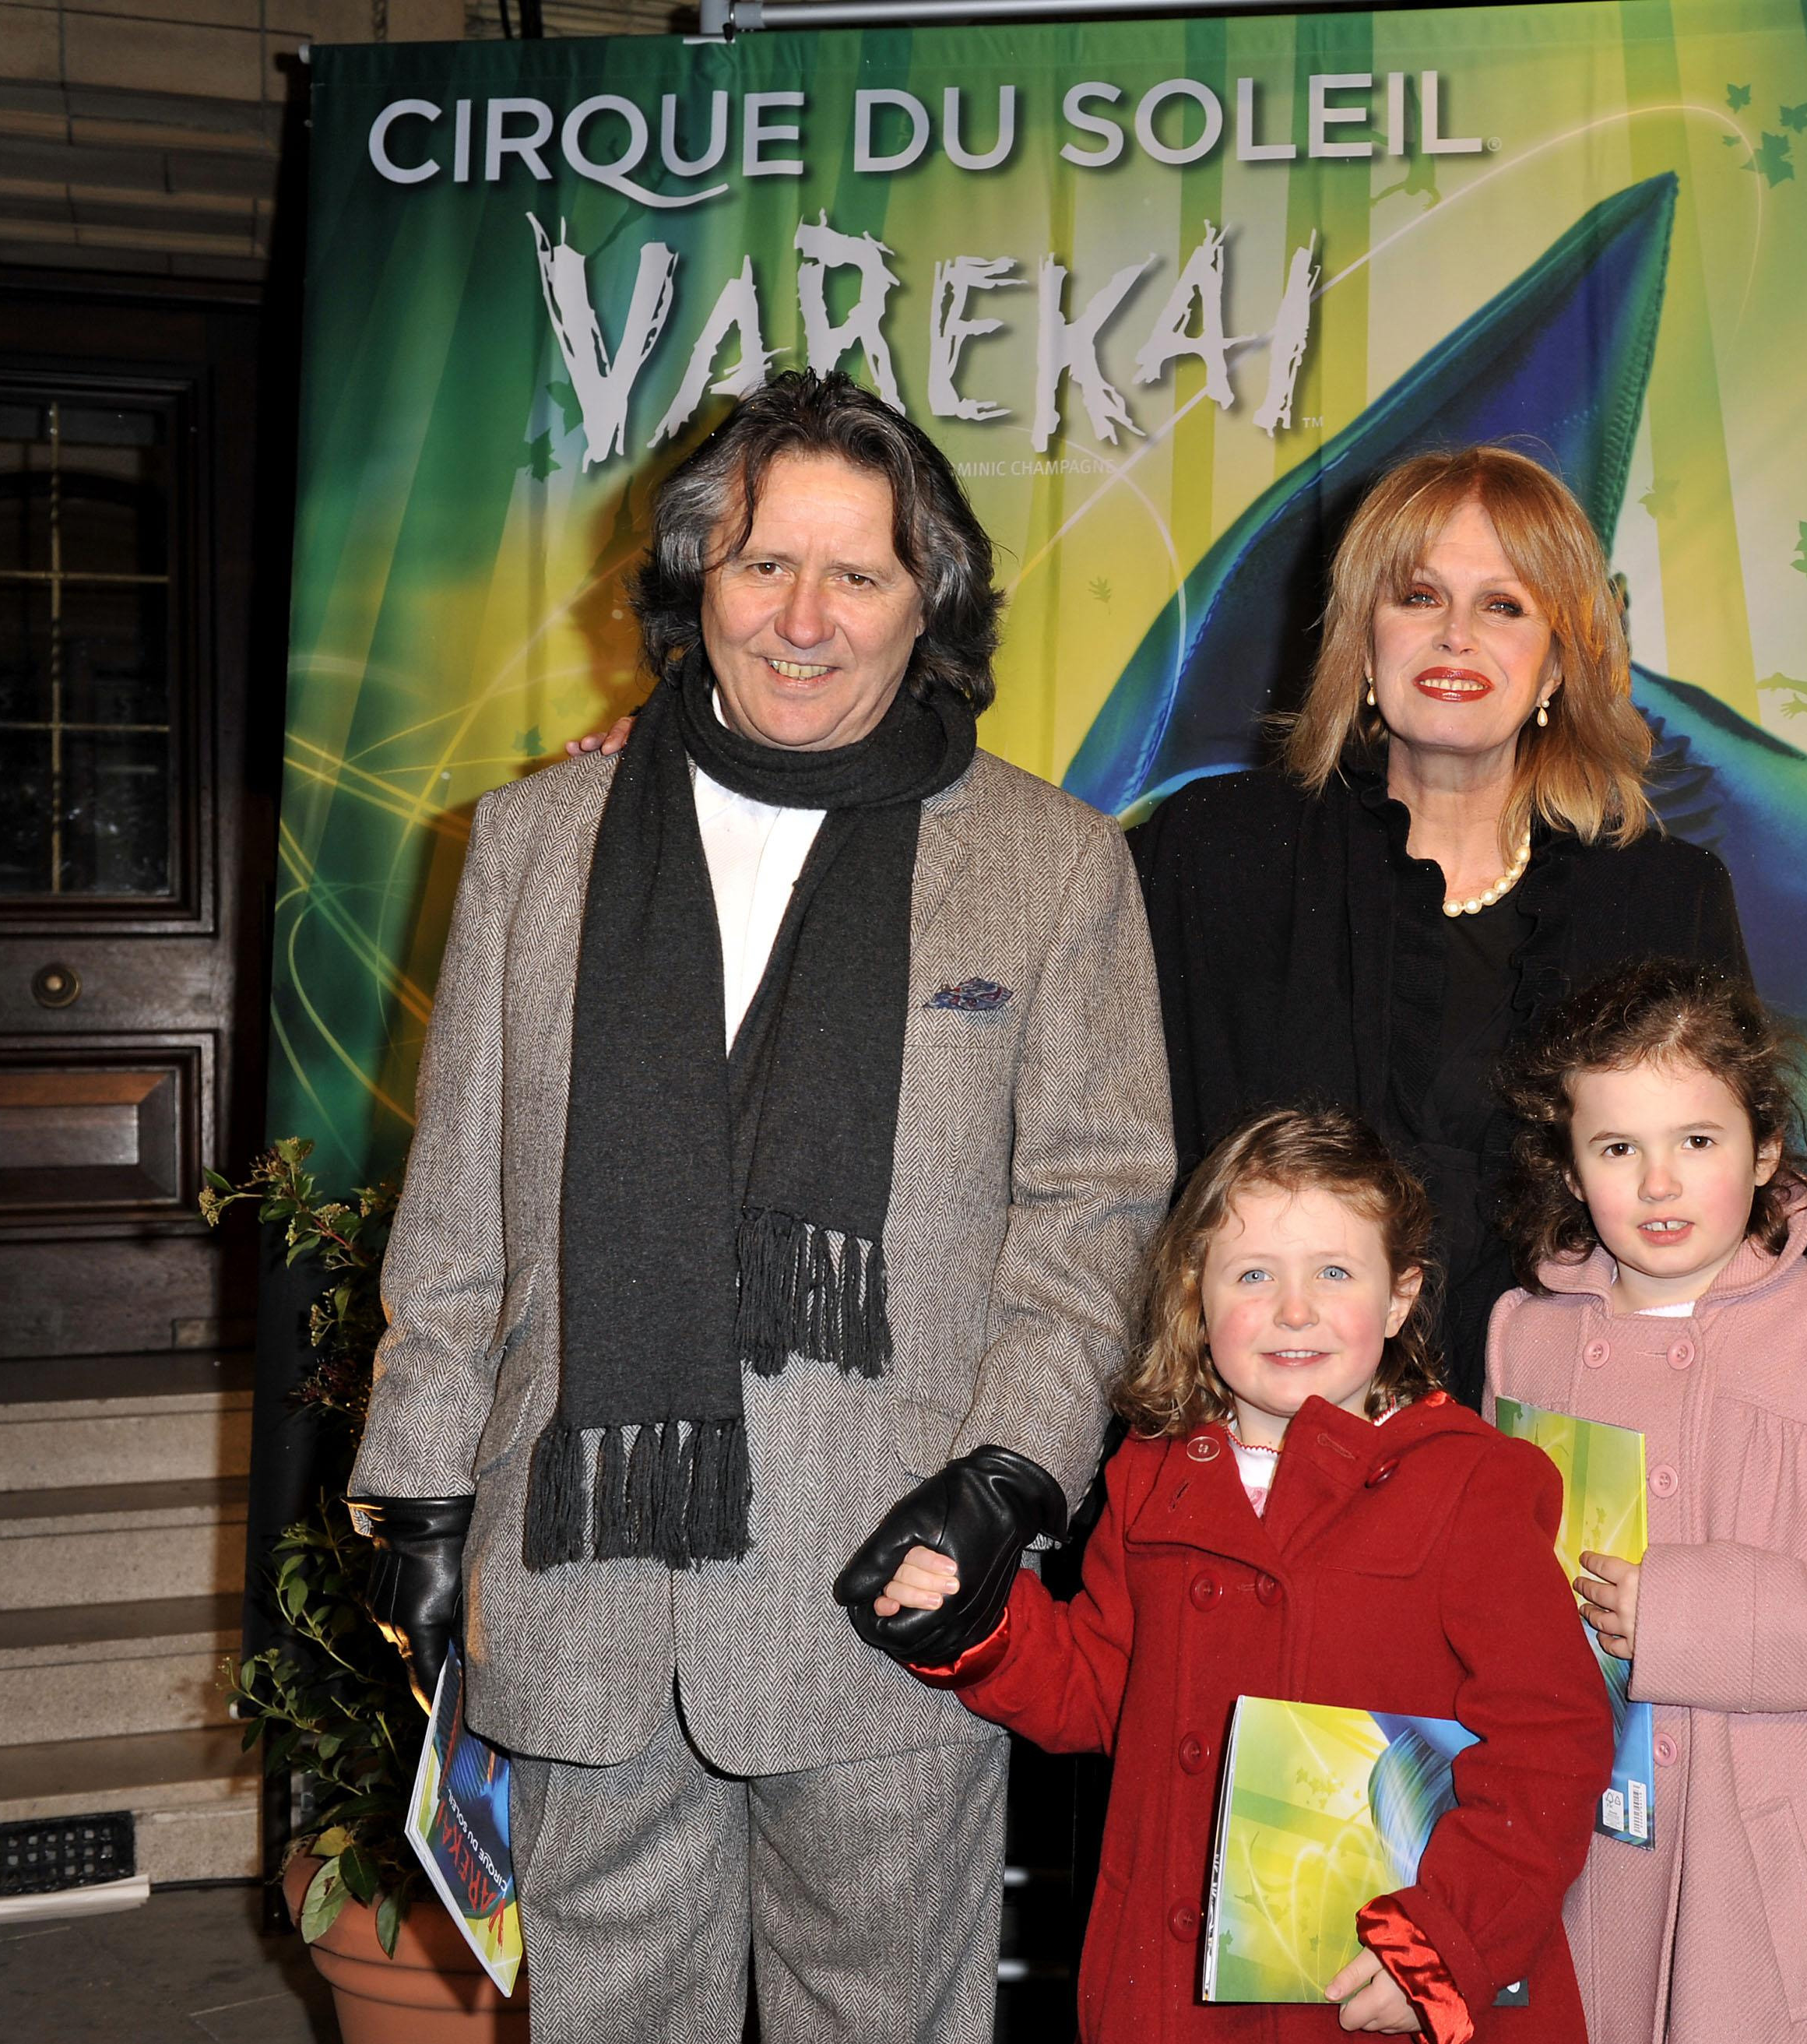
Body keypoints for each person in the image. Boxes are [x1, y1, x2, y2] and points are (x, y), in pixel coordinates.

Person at [346, 369, 1172, 2044]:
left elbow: (1096, 1211)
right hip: (579, 1580)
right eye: (759, 566)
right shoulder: (531, 840)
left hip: (888, 1589)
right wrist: (418, 1503)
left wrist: (1007, 1479)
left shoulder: (1052, 864)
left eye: (856, 574)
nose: (804, 619)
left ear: (925, 603)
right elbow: (455, 1221)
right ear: (692, 586)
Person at [1128, 445, 1807, 1410]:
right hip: (1250, 1449)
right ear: (1361, 640)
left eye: (1505, 607)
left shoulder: (1660, 897)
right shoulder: (1215, 856)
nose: (1456, 638)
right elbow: (1105, 1166)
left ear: (1559, 661)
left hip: (1555, 1456)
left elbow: (1720, 1170)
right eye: (1418, 597)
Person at [849, 1106, 1611, 2041]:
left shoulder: (1471, 1482)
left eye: (1335, 1272)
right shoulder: (1153, 1473)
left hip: (1376, 1987)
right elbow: (1102, 1687)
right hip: (1169, 1987)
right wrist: (981, 1626)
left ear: (1401, 1295)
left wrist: (1446, 1941)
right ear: (1196, 1297)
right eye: (1254, 1274)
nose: (1295, 1310)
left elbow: (1554, 1746)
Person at [1486, 957, 1807, 2044]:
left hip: (1780, 1878)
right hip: (1588, 1862)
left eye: (1698, 1142)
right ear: (1570, 1169)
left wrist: (1688, 1616)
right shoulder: (1522, 1341)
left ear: (1765, 1149)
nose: (1659, 1184)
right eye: (1618, 1148)